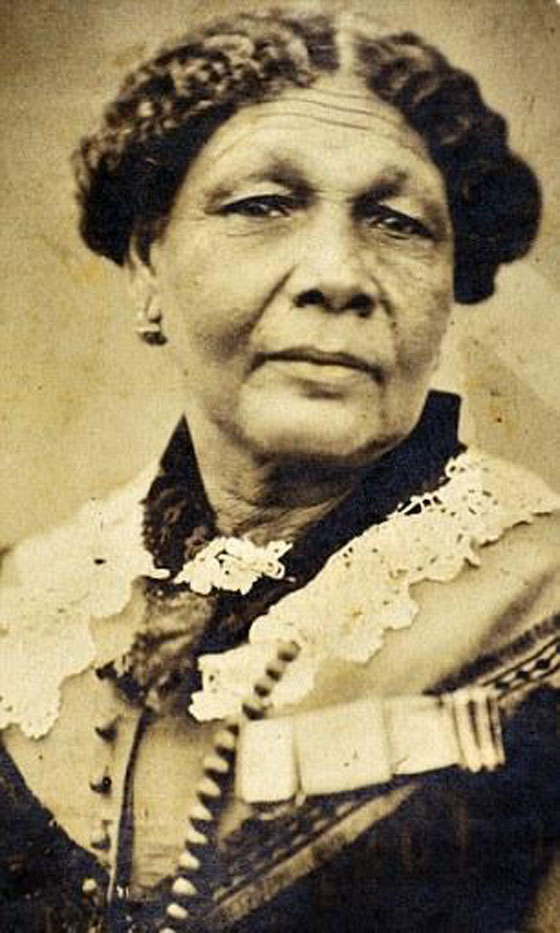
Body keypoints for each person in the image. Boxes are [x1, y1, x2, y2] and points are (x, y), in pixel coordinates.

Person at [1, 7, 560, 932]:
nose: (337, 274)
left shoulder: (542, 605)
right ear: (146, 266)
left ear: (449, 288)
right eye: (261, 206)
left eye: (399, 222)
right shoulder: (28, 605)